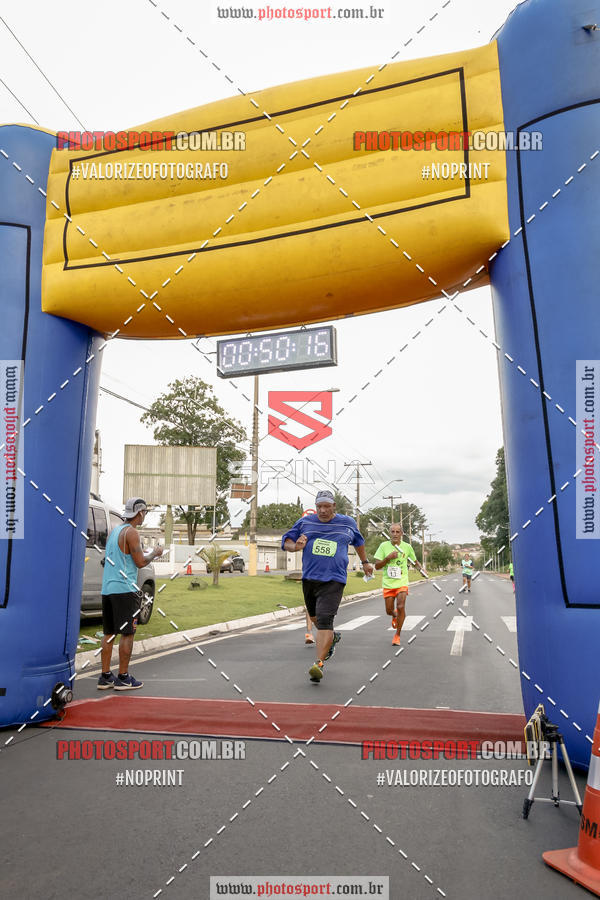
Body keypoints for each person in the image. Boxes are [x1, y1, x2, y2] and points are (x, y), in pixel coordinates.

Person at [282, 489, 373, 682]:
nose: (322, 510)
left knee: (324, 619)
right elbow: (287, 541)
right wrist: (296, 546)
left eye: (326, 506)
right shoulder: (305, 522)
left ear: (334, 506)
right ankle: (332, 638)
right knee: (315, 618)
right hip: (310, 578)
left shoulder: (347, 523)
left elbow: (359, 542)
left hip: (334, 579)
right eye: (319, 506)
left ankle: (319, 664)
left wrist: (365, 562)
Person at [97, 497, 163, 691]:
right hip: (125, 589)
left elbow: (109, 559)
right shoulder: (131, 532)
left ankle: (105, 676)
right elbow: (140, 562)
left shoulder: (114, 532)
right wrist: (155, 553)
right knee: (127, 633)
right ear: (140, 513)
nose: (145, 516)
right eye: (145, 513)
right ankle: (123, 677)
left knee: (109, 633)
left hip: (108, 589)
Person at [374, 524, 426, 645]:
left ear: (401, 534)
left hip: (402, 581)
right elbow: (377, 566)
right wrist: (388, 558)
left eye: (398, 532)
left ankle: (397, 635)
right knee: (389, 610)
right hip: (388, 583)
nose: (395, 534)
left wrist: (421, 570)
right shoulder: (383, 546)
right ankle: (394, 615)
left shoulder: (407, 547)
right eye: (393, 531)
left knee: (401, 606)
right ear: (389, 533)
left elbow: (415, 562)